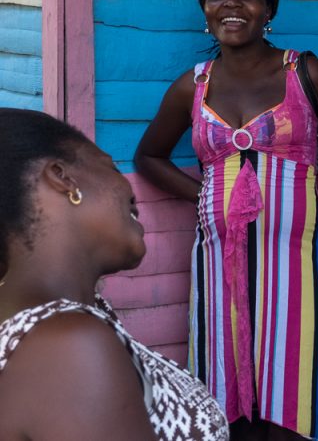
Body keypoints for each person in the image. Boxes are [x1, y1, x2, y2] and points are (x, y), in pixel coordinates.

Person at [134, 0, 318, 441]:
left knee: (290, 402)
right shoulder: (195, 84)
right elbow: (149, 156)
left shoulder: (305, 72)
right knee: (227, 406)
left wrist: (307, 192)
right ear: (205, 10)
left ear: (268, 8)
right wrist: (207, 192)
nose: (232, 6)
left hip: (295, 269)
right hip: (217, 270)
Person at [0, 108, 230, 440]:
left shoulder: (61, 323)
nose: (129, 191)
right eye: (112, 166)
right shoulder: (66, 344)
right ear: (62, 178)